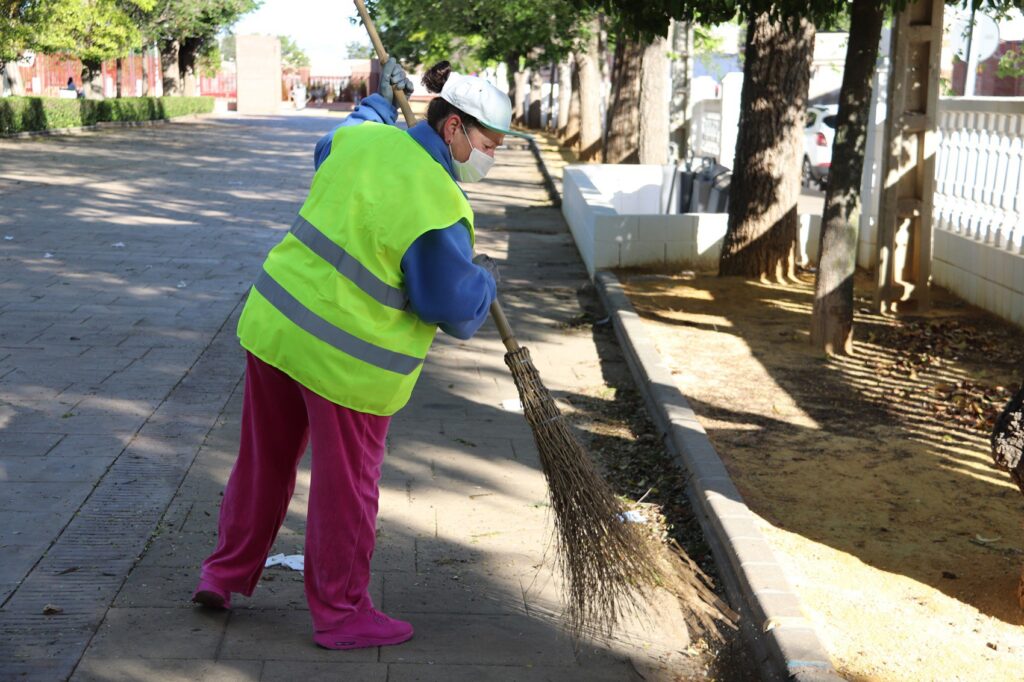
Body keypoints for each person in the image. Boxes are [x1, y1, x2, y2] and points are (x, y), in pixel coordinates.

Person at [191, 57, 526, 651]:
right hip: (347, 365)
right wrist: (486, 279)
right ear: (454, 129)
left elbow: (336, 138)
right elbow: (447, 304)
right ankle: (342, 614)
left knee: (262, 462)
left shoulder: (364, 140)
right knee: (346, 487)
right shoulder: (439, 204)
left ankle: (223, 573)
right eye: (489, 144)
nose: (491, 157)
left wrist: (379, 95)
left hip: (276, 328)